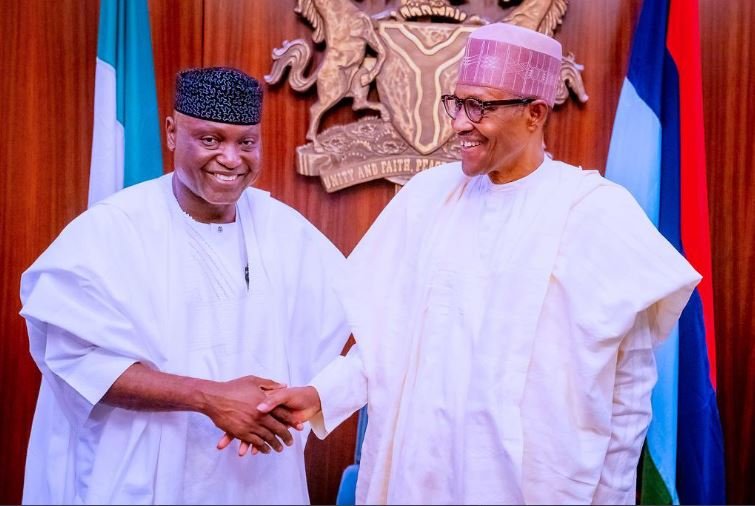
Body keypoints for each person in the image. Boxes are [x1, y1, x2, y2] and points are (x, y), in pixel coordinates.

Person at [255, 23, 702, 504]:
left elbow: (629, 390)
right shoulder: (428, 198)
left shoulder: (595, 212)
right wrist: (323, 395)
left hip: (534, 485)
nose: (460, 123)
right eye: (458, 102)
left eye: (481, 107)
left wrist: (612, 498)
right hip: (419, 475)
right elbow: (387, 341)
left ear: (534, 113)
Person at [19, 67, 349, 504]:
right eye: (210, 140)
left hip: (255, 477)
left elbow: (368, 318)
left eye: (245, 142)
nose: (231, 159)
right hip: (142, 476)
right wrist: (210, 398)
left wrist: (307, 396)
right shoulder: (112, 230)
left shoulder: (287, 231)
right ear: (173, 133)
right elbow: (75, 358)